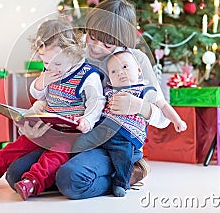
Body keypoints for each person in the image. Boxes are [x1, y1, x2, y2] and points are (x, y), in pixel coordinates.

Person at [6, 0, 184, 199]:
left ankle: (130, 171)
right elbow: (53, 90)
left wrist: (139, 106)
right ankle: (66, 173)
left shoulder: (134, 61)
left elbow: (162, 117)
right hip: (71, 137)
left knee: (71, 180)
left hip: (114, 144)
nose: (97, 46)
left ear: (122, 42)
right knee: (15, 175)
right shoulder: (76, 52)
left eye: (107, 43)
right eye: (92, 36)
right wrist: (35, 115)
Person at [0, 19, 105, 201]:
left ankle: (32, 182)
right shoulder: (51, 72)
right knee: (13, 149)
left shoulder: (87, 75)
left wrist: (87, 120)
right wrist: (42, 81)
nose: (51, 68)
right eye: (46, 63)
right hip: (47, 128)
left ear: (73, 52)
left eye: (57, 64)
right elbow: (38, 94)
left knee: (54, 157)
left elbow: (96, 102)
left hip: (70, 134)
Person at [72, 50, 187, 197]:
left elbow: (163, 105)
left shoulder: (144, 90)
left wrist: (177, 120)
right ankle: (80, 164)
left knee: (123, 158)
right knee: (80, 141)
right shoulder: (108, 91)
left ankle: (121, 183)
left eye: (125, 67)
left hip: (125, 135)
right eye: (113, 71)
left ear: (139, 70)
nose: (120, 73)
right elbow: (96, 105)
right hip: (102, 130)